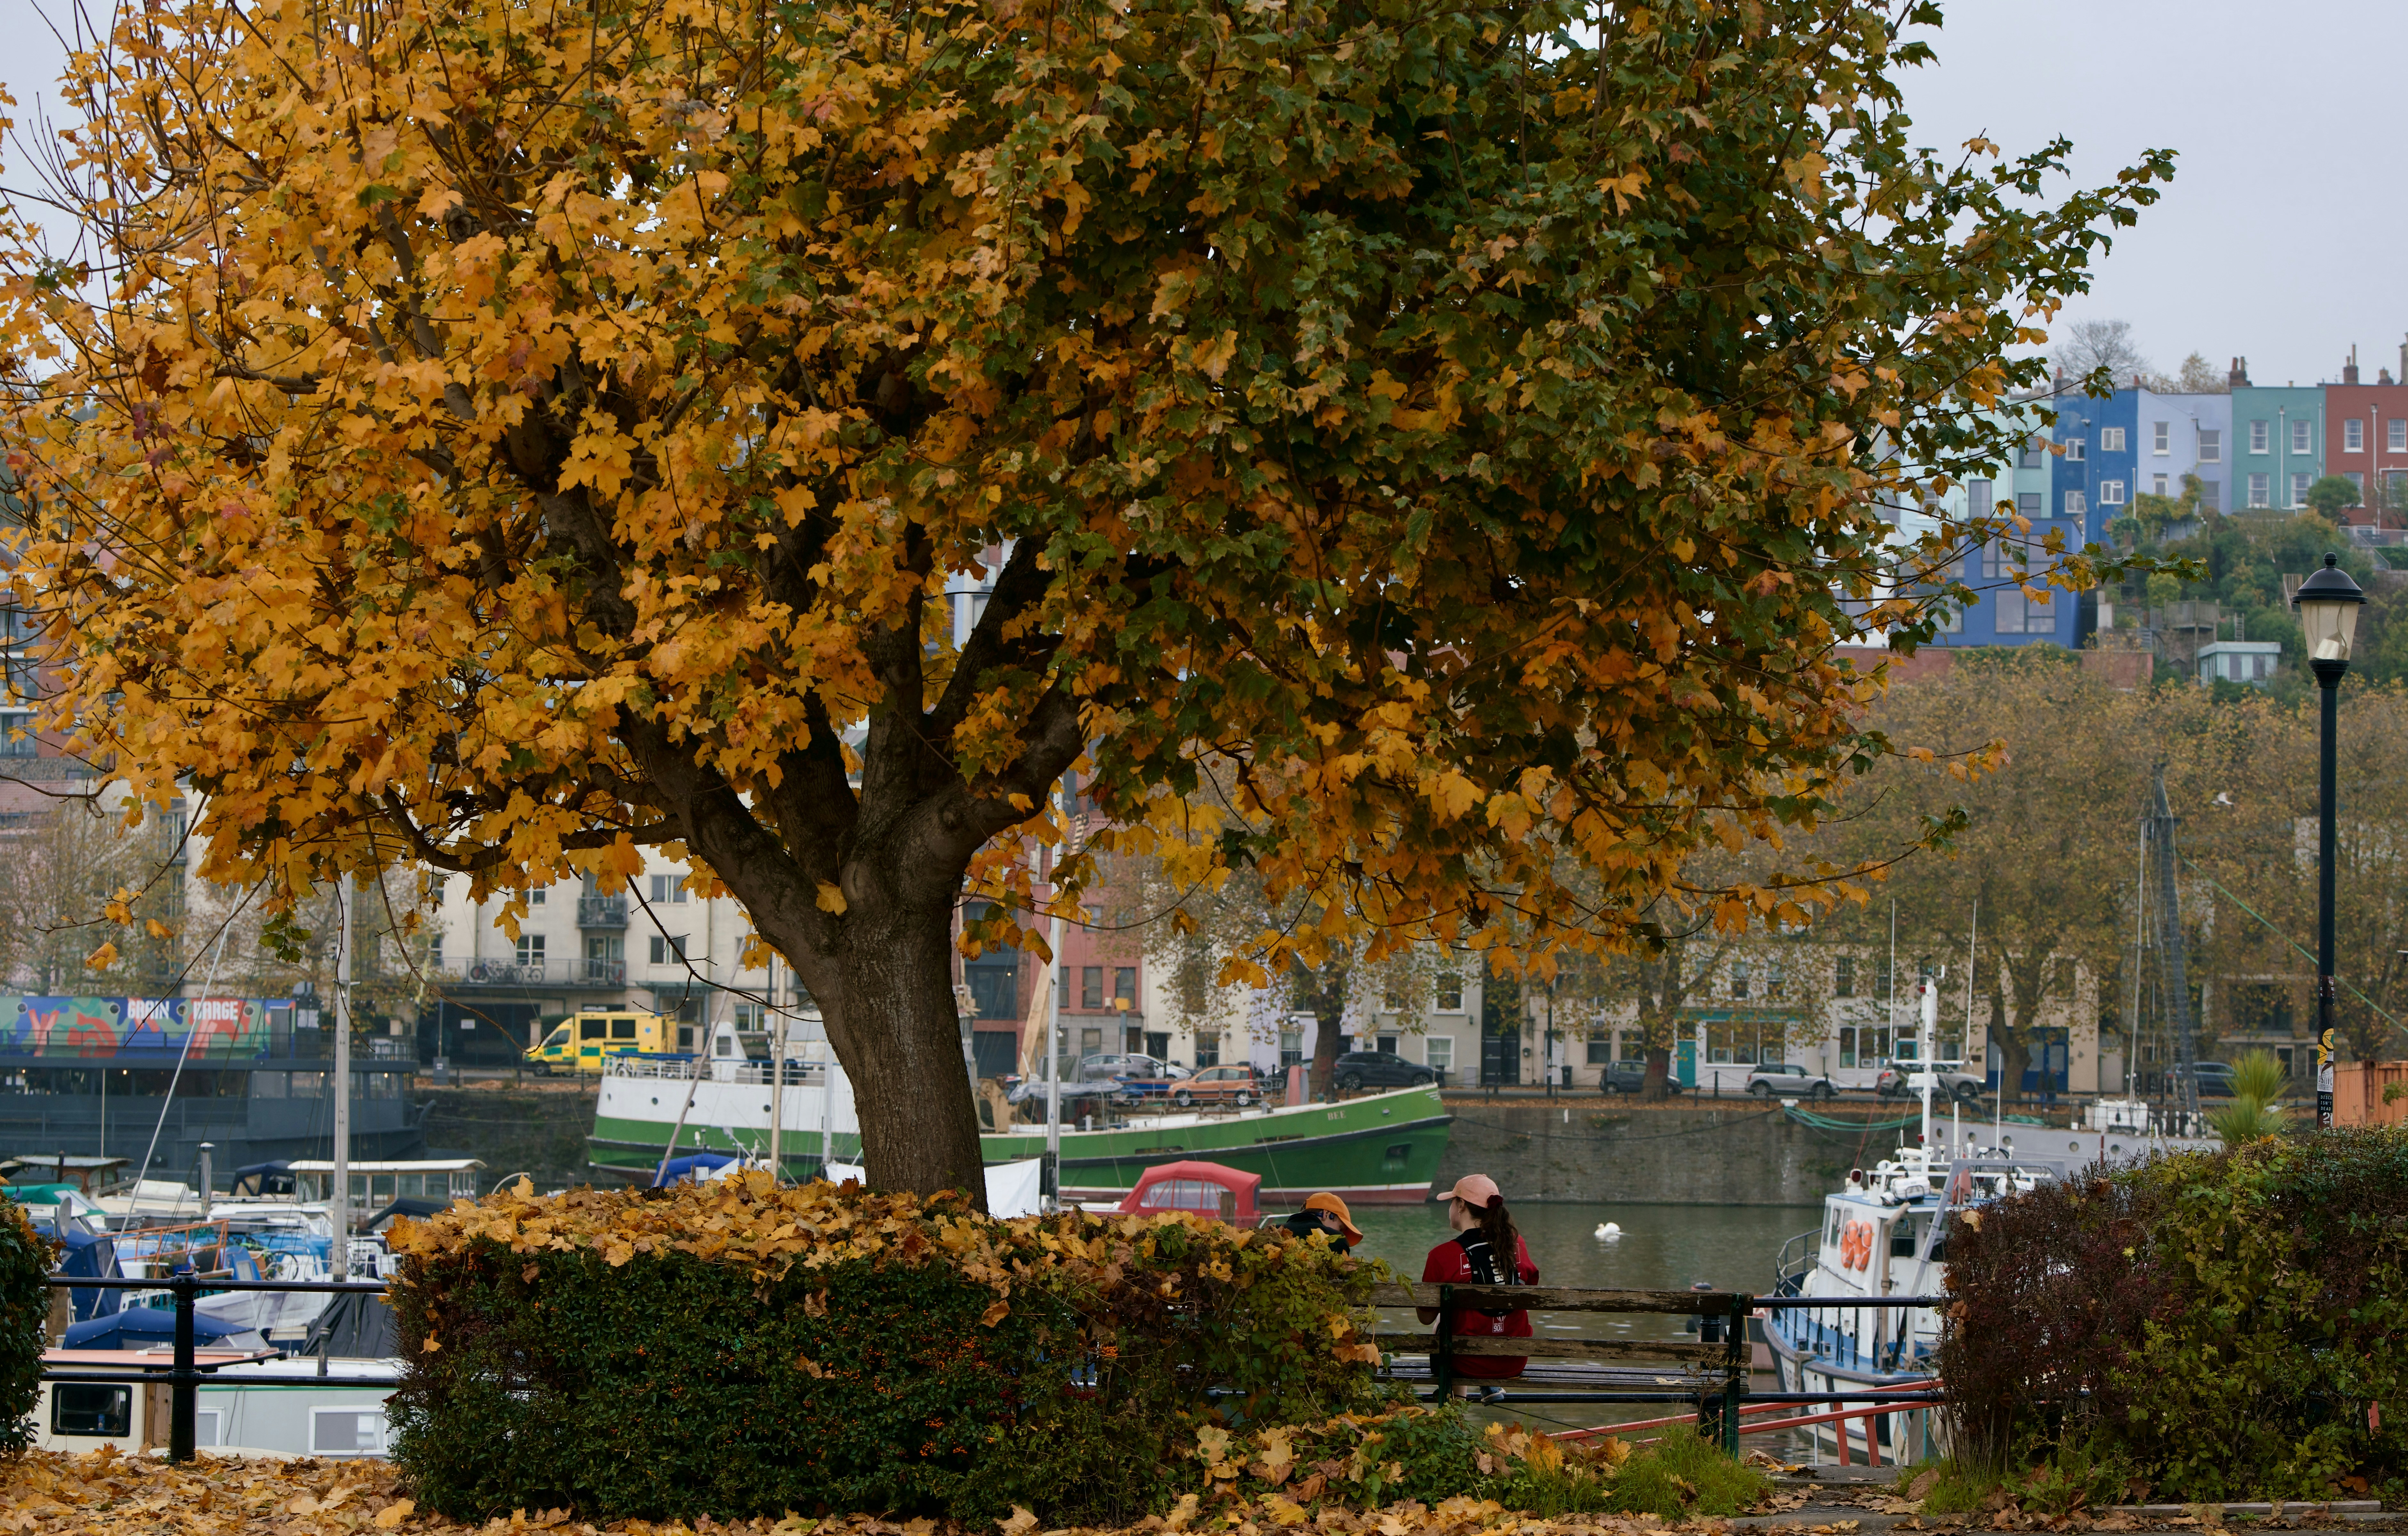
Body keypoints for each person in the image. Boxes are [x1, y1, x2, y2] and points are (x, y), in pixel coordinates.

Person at [1418, 1173, 1538, 1385]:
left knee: (1443, 1319)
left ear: (1461, 1205)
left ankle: (1455, 1410)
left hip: (1463, 1363)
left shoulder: (1442, 1255)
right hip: (1513, 1362)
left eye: (1452, 1202)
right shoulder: (1517, 1244)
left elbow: (1425, 1317)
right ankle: (1488, 1388)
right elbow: (1530, 1286)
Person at [1282, 1192, 1363, 1253]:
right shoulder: (1337, 1239)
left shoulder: (1272, 1232)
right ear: (1327, 1214)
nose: (1342, 1234)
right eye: (1341, 1228)